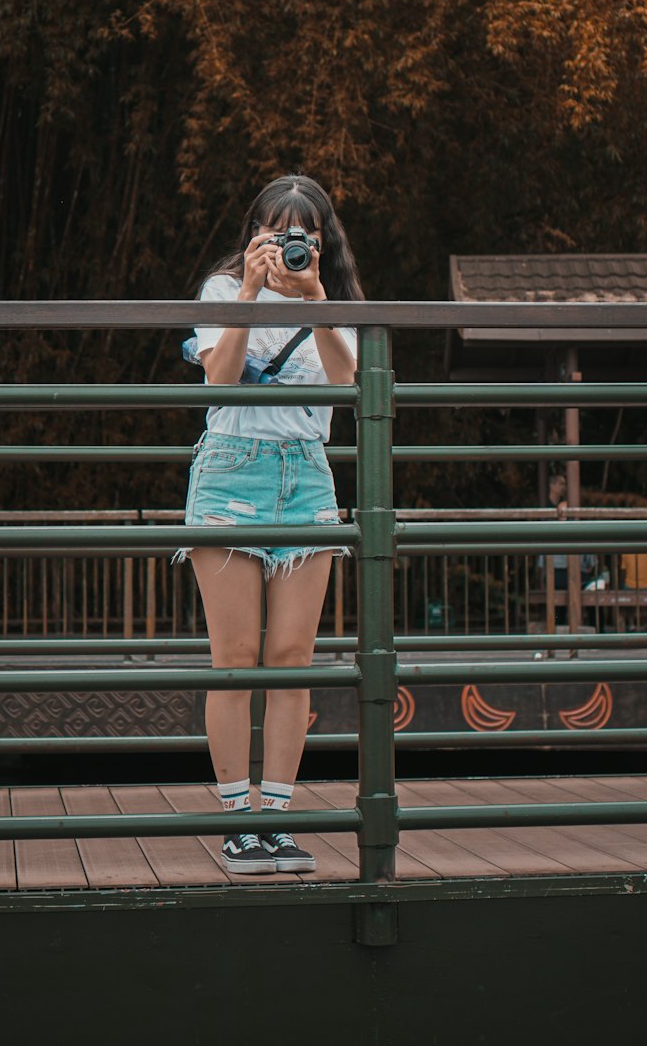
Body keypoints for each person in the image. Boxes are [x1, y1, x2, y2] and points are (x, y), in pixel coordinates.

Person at [176, 174, 361, 876]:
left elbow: (346, 384)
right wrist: (252, 293)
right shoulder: (223, 293)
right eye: (276, 231)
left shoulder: (334, 302)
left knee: (289, 659)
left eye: (303, 234)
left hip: (307, 476)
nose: (289, 244)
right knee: (234, 663)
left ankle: (276, 821)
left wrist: (313, 298)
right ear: (252, 234)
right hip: (230, 473)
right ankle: (236, 824)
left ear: (320, 241)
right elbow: (220, 380)